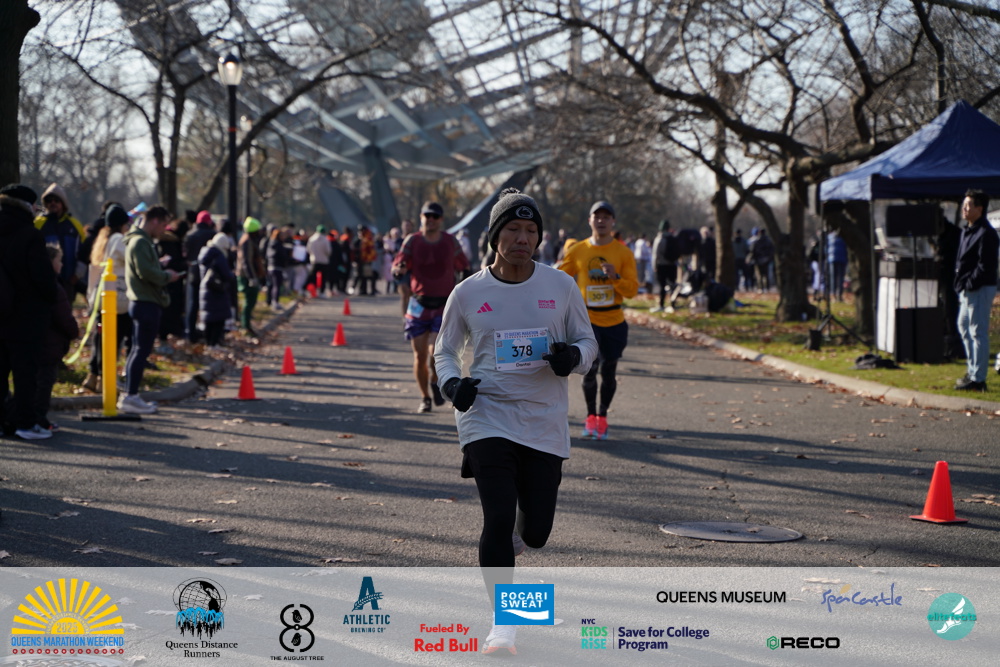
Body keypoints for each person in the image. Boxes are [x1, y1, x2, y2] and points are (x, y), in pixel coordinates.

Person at [434, 188, 597, 656]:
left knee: (536, 533)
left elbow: (588, 344)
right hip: (487, 415)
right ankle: (503, 626)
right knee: (498, 515)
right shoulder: (468, 292)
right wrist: (452, 385)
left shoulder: (560, 286)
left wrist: (572, 358)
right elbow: (445, 350)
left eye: (530, 230)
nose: (522, 238)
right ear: (495, 236)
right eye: (512, 229)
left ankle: (518, 540)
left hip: (543, 418)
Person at [558, 200, 638, 440]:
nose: (601, 221)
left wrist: (616, 277)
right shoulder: (578, 250)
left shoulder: (623, 252)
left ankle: (603, 417)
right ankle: (590, 416)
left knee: (609, 372)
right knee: (590, 371)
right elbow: (558, 279)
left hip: (614, 321)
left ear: (613, 222)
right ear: (590, 220)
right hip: (587, 321)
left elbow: (632, 290)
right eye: (597, 216)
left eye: (606, 217)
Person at [392, 201, 469, 413]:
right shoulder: (412, 240)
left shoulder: (449, 241)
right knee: (419, 356)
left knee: (435, 353)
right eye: (428, 216)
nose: (431, 220)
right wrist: (398, 270)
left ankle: (435, 380)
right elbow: (399, 263)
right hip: (419, 303)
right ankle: (425, 397)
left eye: (435, 216)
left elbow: (463, 265)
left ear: (441, 219)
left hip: (443, 304)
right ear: (421, 217)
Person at [0, 184, 57, 440]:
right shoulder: (30, 235)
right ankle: (25, 423)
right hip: (26, 317)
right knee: (25, 374)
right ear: (26, 206)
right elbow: (43, 279)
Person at [120, 205, 182, 414]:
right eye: (163, 225)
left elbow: (146, 268)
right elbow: (145, 271)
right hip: (145, 302)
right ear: (154, 221)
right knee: (141, 351)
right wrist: (167, 276)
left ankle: (131, 395)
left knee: (138, 350)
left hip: (142, 302)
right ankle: (131, 396)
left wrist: (160, 268)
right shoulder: (140, 241)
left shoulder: (140, 240)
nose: (164, 230)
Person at [82, 204, 132, 394]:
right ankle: (106, 380)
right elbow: (130, 259)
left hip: (101, 296)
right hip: (118, 297)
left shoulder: (102, 240)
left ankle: (93, 376)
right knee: (114, 340)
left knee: (100, 338)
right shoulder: (118, 239)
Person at [953, 189, 998, 391]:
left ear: (979, 209)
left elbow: (985, 265)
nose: (964, 208)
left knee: (977, 331)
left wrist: (970, 283)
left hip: (979, 288)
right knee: (964, 327)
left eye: (968, 205)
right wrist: (961, 283)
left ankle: (979, 379)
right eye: (964, 205)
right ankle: (972, 372)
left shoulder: (986, 233)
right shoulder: (967, 230)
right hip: (966, 289)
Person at [36, 245, 79, 431]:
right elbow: (64, 317)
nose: (62, 264)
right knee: (44, 384)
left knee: (32, 383)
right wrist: (74, 332)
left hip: (35, 342)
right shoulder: (53, 287)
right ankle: (39, 420)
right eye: (59, 260)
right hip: (50, 343)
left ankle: (31, 417)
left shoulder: (31, 282)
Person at [34, 183, 86, 299]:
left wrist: (77, 275)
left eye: (56, 200)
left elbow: (83, 253)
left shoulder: (75, 225)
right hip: (44, 282)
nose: (53, 203)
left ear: (63, 203)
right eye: (49, 200)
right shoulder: (37, 224)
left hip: (69, 282)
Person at [197, 233, 235, 348]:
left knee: (209, 318)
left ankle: (209, 343)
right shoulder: (218, 254)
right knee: (218, 318)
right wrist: (232, 275)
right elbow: (226, 274)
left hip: (205, 288)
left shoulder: (205, 252)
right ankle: (214, 343)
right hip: (217, 289)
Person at [236, 216, 266, 336]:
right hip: (247, 276)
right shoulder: (247, 242)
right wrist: (251, 278)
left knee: (251, 300)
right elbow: (246, 261)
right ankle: (245, 326)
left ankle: (247, 325)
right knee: (249, 301)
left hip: (250, 275)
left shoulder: (248, 240)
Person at [651, 219, 678, 312]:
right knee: (672, 285)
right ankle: (673, 304)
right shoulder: (673, 238)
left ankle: (661, 304)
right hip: (672, 265)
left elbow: (655, 254)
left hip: (661, 265)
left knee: (662, 286)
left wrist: (654, 266)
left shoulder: (659, 239)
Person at [265, 226, 290, 310]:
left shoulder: (271, 243)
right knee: (277, 285)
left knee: (271, 285)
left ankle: (269, 301)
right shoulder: (279, 245)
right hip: (277, 267)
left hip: (270, 266)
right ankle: (275, 302)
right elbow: (283, 257)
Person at [306, 224, 332, 296]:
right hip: (324, 261)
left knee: (313, 277)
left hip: (314, 260)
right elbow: (328, 251)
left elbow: (308, 249)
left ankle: (312, 292)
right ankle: (322, 292)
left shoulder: (312, 239)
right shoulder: (326, 240)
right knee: (323, 278)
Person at [826, 230, 848, 301]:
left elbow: (827, 248)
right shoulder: (844, 237)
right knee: (840, 277)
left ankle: (833, 294)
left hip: (832, 259)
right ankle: (839, 294)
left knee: (833, 277)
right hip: (842, 259)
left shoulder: (830, 237)